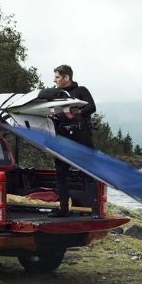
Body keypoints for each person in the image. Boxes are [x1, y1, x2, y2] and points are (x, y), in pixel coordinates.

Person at [43, 64, 97, 217]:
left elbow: (92, 107)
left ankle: (95, 211)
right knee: (60, 174)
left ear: (67, 77)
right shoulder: (56, 95)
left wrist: (74, 113)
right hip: (63, 141)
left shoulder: (81, 91)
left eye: (57, 77)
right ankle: (63, 209)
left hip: (82, 140)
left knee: (88, 175)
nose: (55, 80)